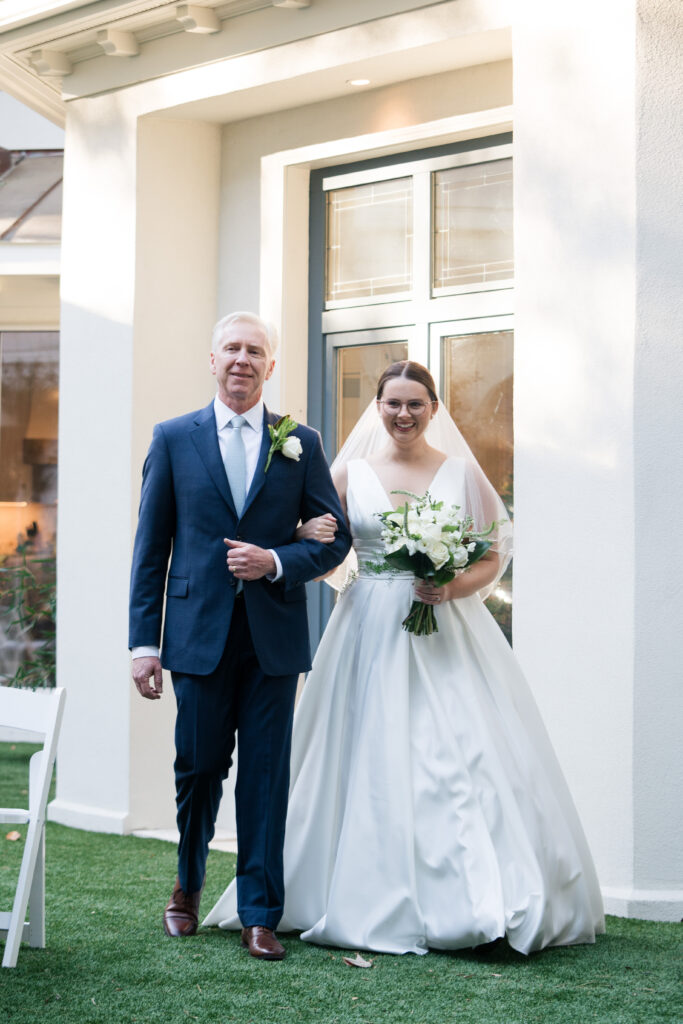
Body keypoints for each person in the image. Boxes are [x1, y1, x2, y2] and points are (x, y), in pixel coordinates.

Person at [204, 360, 605, 955]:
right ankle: (345, 888)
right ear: (378, 407)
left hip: (444, 626)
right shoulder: (349, 470)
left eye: (416, 404)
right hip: (366, 624)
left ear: (434, 410)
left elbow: (494, 554)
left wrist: (452, 586)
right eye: (393, 403)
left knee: (456, 750)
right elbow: (311, 532)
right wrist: (309, 539)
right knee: (363, 745)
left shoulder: (462, 473)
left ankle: (475, 898)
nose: (404, 414)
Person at [128, 312, 351, 959]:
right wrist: (145, 643)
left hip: (272, 639)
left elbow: (333, 540)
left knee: (262, 774)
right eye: (232, 348)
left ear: (270, 366)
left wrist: (276, 560)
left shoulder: (300, 443)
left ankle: (260, 909)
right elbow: (150, 550)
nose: (242, 359)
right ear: (212, 358)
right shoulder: (172, 439)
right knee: (198, 769)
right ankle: (187, 886)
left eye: (255, 351)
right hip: (195, 637)